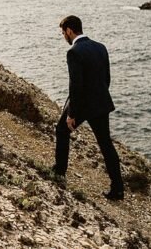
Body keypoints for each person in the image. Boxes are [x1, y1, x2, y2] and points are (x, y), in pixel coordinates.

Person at [54, 15, 125, 200]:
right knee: (106, 145)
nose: (64, 36)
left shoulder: (74, 52)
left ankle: (59, 174)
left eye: (63, 33)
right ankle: (118, 189)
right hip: (101, 102)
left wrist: (72, 113)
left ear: (69, 31)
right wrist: (98, 97)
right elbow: (106, 79)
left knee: (62, 131)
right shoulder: (100, 47)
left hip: (83, 105)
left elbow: (76, 85)